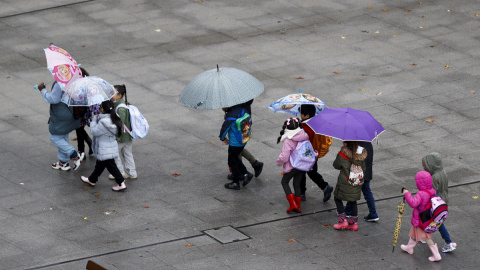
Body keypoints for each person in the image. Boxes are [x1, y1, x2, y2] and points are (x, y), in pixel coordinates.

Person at [37, 79, 84, 171]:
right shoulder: (73, 80)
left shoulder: (60, 82)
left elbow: (54, 99)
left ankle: (75, 155)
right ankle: (63, 163)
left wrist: (42, 90)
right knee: (63, 136)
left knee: (55, 137)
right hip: (71, 112)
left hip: (61, 114)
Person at [81, 100, 126, 191]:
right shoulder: (115, 118)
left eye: (100, 107)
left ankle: (121, 183)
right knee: (100, 165)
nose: (100, 109)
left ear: (103, 109)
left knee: (111, 166)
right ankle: (92, 179)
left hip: (104, 148)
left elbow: (94, 131)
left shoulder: (103, 122)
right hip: (109, 146)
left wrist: (94, 119)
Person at [401, 171, 442, 262]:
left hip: (420, 220)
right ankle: (409, 248)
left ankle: (436, 255)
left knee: (427, 237)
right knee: (414, 233)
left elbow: (413, 203)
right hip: (427, 218)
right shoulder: (432, 191)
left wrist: (407, 194)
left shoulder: (421, 193)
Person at [422, 152, 456, 253]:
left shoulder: (434, 177)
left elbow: (432, 192)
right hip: (443, 201)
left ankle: (448, 242)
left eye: (425, 165)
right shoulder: (443, 173)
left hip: (436, 205)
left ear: (432, 165)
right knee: (428, 219)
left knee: (438, 224)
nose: (424, 167)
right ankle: (424, 236)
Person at [298, 105, 333, 202]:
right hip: (314, 153)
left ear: (306, 115)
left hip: (306, 154)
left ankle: (301, 193)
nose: (300, 115)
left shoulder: (305, 127)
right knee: (312, 172)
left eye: (301, 114)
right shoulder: (316, 123)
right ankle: (325, 187)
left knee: (301, 173)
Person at [276, 117, 309, 213]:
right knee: (297, 183)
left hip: (292, 165)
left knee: (284, 182)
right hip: (302, 164)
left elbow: (284, 156)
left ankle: (292, 205)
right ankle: (298, 206)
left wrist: (279, 162)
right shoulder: (304, 135)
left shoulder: (288, 139)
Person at [332, 141, 366, 231]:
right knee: (353, 201)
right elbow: (364, 169)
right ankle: (353, 223)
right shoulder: (361, 154)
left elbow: (336, 165)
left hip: (345, 182)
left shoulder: (342, 153)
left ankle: (342, 220)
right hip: (356, 182)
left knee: (337, 198)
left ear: (346, 144)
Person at [220, 102, 252, 190]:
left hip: (235, 142)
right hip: (243, 139)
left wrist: (222, 138)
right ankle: (244, 174)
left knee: (232, 161)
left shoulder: (230, 117)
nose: (221, 108)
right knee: (235, 159)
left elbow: (224, 129)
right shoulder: (241, 109)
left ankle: (236, 182)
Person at [108, 84, 137, 180]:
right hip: (127, 136)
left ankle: (119, 172)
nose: (110, 95)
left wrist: (118, 138)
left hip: (121, 137)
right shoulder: (122, 105)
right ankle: (131, 172)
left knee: (114, 154)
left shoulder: (120, 109)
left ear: (119, 95)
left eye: (112, 93)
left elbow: (121, 124)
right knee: (127, 153)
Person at [346, 141, 379, 221]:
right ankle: (373, 213)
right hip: (367, 172)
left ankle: (348, 211)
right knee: (366, 192)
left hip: (359, 173)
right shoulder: (368, 144)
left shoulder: (358, 147)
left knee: (353, 191)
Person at [75, 67, 93, 156]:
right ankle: (86, 147)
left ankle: (81, 152)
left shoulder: (79, 86)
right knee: (80, 130)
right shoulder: (87, 83)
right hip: (86, 111)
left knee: (79, 130)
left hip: (80, 112)